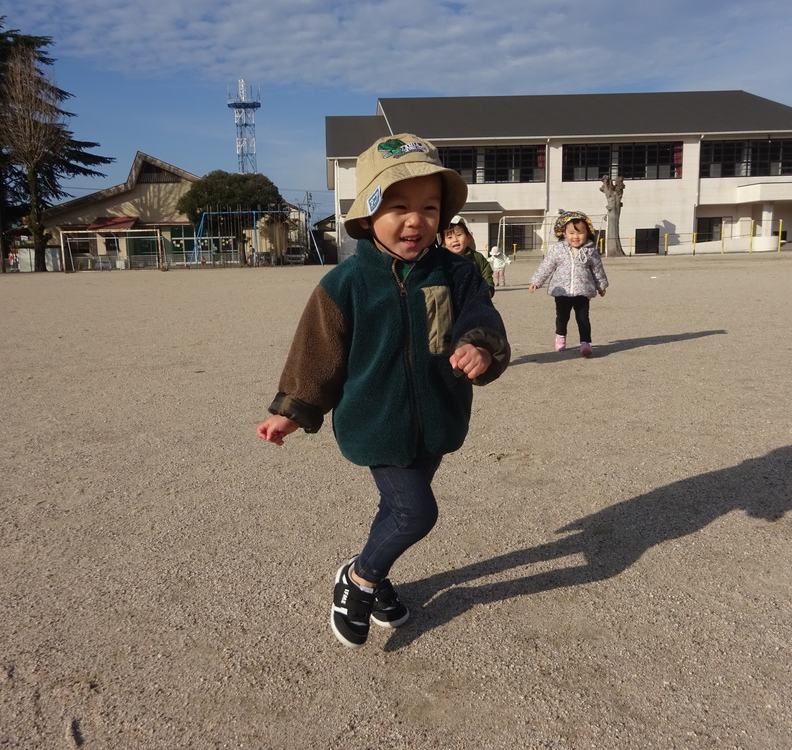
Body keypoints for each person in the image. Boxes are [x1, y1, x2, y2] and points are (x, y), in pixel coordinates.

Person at [256, 133, 511, 648]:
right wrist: (293, 408)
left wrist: (481, 348)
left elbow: (482, 319)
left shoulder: (456, 273)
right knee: (416, 513)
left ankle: (377, 576)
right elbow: (317, 353)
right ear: (368, 213)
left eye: (429, 208)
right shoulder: (345, 282)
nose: (415, 220)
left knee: (394, 511)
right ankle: (360, 579)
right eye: (397, 206)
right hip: (376, 420)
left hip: (438, 416)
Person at [528, 211, 608, 357]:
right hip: (562, 292)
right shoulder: (559, 250)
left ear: (587, 233)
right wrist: (536, 281)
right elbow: (547, 265)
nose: (575, 237)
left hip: (582, 291)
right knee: (562, 317)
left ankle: (585, 343)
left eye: (580, 233)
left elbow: (598, 270)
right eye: (571, 233)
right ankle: (560, 337)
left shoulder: (591, 251)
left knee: (583, 318)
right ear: (564, 233)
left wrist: (601, 286)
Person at [441, 215, 495, 296]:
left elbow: (486, 274)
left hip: (474, 296)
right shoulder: (442, 260)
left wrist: (488, 289)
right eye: (449, 237)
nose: (455, 239)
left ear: (468, 238)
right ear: (444, 243)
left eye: (459, 235)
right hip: (451, 299)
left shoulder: (477, 257)